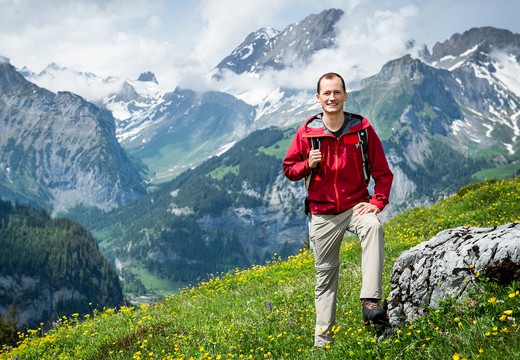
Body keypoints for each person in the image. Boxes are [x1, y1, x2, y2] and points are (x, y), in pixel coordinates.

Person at [282, 72, 393, 347]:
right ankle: (323, 343)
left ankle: (369, 302)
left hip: (355, 205)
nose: (332, 98)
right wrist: (307, 164)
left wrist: (377, 202)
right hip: (322, 213)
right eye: (326, 93)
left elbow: (383, 172)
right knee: (326, 275)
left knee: (373, 226)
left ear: (345, 95)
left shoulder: (362, 130)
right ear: (318, 98)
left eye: (337, 92)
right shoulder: (308, 133)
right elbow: (289, 169)